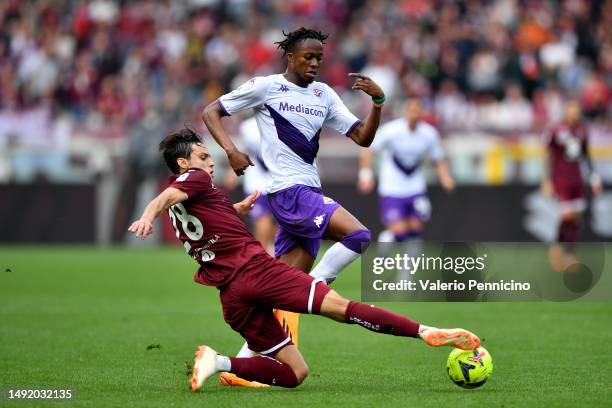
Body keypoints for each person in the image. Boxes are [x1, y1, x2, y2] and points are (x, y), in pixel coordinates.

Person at [128, 129, 481, 391]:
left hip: (231, 297)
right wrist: (147, 215)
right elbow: (166, 196)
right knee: (342, 309)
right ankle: (426, 331)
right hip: (257, 272)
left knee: (295, 374)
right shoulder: (191, 181)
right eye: (204, 157)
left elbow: (199, 218)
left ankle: (216, 361)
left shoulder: (190, 202)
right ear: (183, 163)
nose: (209, 162)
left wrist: (236, 209)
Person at [202, 27, 385, 352]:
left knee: (278, 294)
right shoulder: (266, 87)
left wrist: (378, 102)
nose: (315, 63)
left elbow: (362, 138)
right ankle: (312, 289)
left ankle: (241, 365)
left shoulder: (324, 94)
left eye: (319, 58)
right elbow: (211, 111)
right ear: (290, 57)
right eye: (308, 57)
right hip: (289, 192)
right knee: (359, 236)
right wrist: (231, 151)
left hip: (308, 190)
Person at [358, 99, 454, 276]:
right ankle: (388, 239)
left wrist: (445, 177)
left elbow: (438, 159)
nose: (414, 114)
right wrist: (366, 175)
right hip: (392, 189)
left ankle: (406, 274)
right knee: (400, 231)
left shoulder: (429, 134)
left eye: (418, 110)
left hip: (415, 188)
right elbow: (369, 150)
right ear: (405, 112)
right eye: (411, 110)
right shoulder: (392, 130)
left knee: (415, 231)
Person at [541, 100, 603, 270]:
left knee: (577, 218)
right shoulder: (555, 130)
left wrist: (594, 179)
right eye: (572, 111)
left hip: (577, 178)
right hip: (561, 179)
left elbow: (586, 155)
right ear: (566, 111)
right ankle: (556, 247)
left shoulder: (582, 129)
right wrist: (546, 180)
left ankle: (568, 254)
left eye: (578, 111)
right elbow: (548, 155)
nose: (575, 114)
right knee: (567, 215)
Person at [224, 116, 277, 255]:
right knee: (261, 220)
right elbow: (244, 150)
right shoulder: (248, 126)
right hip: (257, 181)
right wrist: (232, 171)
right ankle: (265, 259)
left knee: (278, 227)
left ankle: (272, 256)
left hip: (280, 180)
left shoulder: (284, 118)